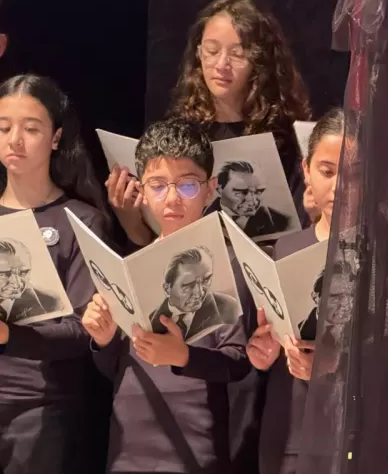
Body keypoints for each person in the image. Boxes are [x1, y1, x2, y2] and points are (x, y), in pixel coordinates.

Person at [82, 118, 255, 474]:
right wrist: (103, 340)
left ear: (210, 189)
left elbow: (238, 362)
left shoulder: (229, 264)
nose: (173, 199)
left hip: (196, 441)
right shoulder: (130, 265)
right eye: (158, 186)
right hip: (129, 441)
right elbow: (116, 367)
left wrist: (183, 356)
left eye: (187, 185)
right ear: (142, 191)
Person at [107, 0, 312, 247]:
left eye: (237, 54)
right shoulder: (180, 132)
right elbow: (151, 239)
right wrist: (130, 218)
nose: (221, 64)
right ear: (198, 53)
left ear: (260, 62)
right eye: (212, 51)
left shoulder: (284, 139)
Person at [0, 74, 113, 474]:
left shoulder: (81, 221)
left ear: (55, 137)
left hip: (40, 408)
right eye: (4, 128)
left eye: (31, 129)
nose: (15, 140)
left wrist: (9, 335)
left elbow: (83, 330)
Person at [248, 108, 356, 474]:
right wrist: (263, 353)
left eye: (353, 173)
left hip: (357, 437)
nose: (339, 186)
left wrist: (329, 368)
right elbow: (272, 342)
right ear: (306, 170)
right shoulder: (286, 248)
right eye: (327, 171)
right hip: (290, 433)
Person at [148, 246, 241, 340]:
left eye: (206, 280)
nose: (200, 293)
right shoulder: (149, 323)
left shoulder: (229, 307)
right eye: (189, 285)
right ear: (167, 289)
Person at [206, 160, 292, 239]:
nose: (253, 201)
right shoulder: (201, 218)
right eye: (241, 192)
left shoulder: (282, 222)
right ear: (219, 189)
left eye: (259, 191)